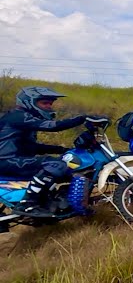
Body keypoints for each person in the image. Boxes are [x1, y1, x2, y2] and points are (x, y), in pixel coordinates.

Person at [0, 86, 90, 216]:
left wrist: (64, 150)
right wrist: (83, 118)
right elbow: (53, 126)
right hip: (5, 161)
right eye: (44, 103)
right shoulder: (18, 116)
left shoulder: (23, 119)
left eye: (50, 103)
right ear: (28, 101)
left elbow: (31, 147)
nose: (49, 106)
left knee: (63, 166)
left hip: (12, 160)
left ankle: (47, 201)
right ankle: (27, 204)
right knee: (55, 165)